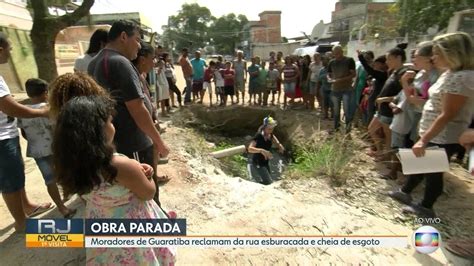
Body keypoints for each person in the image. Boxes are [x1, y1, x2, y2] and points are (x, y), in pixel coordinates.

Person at [52, 95, 176, 265]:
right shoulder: (119, 165)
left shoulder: (72, 163)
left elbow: (86, 195)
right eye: (110, 121)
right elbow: (148, 193)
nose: (113, 125)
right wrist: (147, 176)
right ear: (98, 130)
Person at [389, 32, 474, 218]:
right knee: (420, 163)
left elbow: (448, 114)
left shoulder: (461, 77)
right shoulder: (450, 74)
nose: (433, 57)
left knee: (432, 172)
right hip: (432, 130)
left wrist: (424, 139)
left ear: (452, 52)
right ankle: (406, 191)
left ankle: (426, 207)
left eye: (437, 53)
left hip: (442, 134)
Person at [88, 20, 169, 205]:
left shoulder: (95, 62)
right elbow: (137, 108)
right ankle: (154, 224)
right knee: (146, 188)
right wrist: (159, 142)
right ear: (124, 37)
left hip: (115, 140)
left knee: (126, 192)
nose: (139, 45)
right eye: (138, 39)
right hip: (134, 142)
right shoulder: (120, 62)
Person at [0, 32, 52, 231]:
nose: (11, 53)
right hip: (2, 138)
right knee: (10, 180)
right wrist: (41, 113)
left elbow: (8, 103)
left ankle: (26, 206)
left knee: (16, 173)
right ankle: (21, 222)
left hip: (7, 134)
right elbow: (9, 107)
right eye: (9, 49)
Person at [17, 78, 76, 218]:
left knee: (49, 180)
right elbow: (58, 129)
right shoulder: (50, 109)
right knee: (66, 172)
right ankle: (72, 195)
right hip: (55, 148)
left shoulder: (23, 112)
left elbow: (24, 133)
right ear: (46, 92)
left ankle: (62, 208)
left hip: (37, 151)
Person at [373, 43, 409, 161]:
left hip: (390, 110)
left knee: (389, 136)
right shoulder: (393, 72)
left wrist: (384, 99)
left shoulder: (405, 73)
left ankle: (387, 157)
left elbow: (404, 95)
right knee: (372, 129)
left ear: (398, 58)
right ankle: (380, 152)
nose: (386, 61)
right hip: (382, 109)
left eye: (389, 58)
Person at [247, 116, 285, 185]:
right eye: (269, 127)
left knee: (268, 180)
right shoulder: (259, 136)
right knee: (268, 182)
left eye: (272, 127)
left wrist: (279, 145)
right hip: (257, 162)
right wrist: (262, 150)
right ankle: (253, 185)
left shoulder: (270, 134)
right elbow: (250, 149)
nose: (271, 129)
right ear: (264, 127)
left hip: (265, 162)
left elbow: (274, 138)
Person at [327, 45, 356, 133]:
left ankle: (348, 129)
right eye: (335, 54)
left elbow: (353, 74)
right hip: (335, 89)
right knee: (336, 111)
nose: (337, 55)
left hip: (346, 88)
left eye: (338, 53)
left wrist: (340, 80)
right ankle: (336, 128)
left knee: (347, 110)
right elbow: (328, 73)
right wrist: (329, 79)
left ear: (342, 52)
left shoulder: (349, 60)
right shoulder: (331, 62)